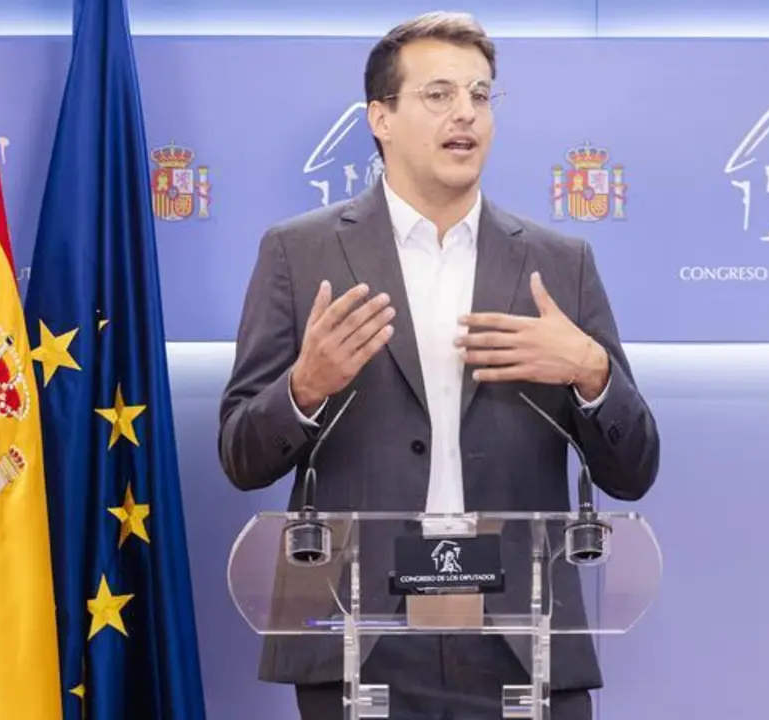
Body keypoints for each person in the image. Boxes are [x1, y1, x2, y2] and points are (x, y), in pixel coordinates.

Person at [217, 11, 660, 720]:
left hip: (522, 634)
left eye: (481, 95)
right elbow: (241, 456)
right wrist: (304, 389)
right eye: (439, 94)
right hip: (354, 634)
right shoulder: (299, 254)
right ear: (381, 118)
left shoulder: (559, 264)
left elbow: (633, 469)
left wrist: (591, 370)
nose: (466, 113)